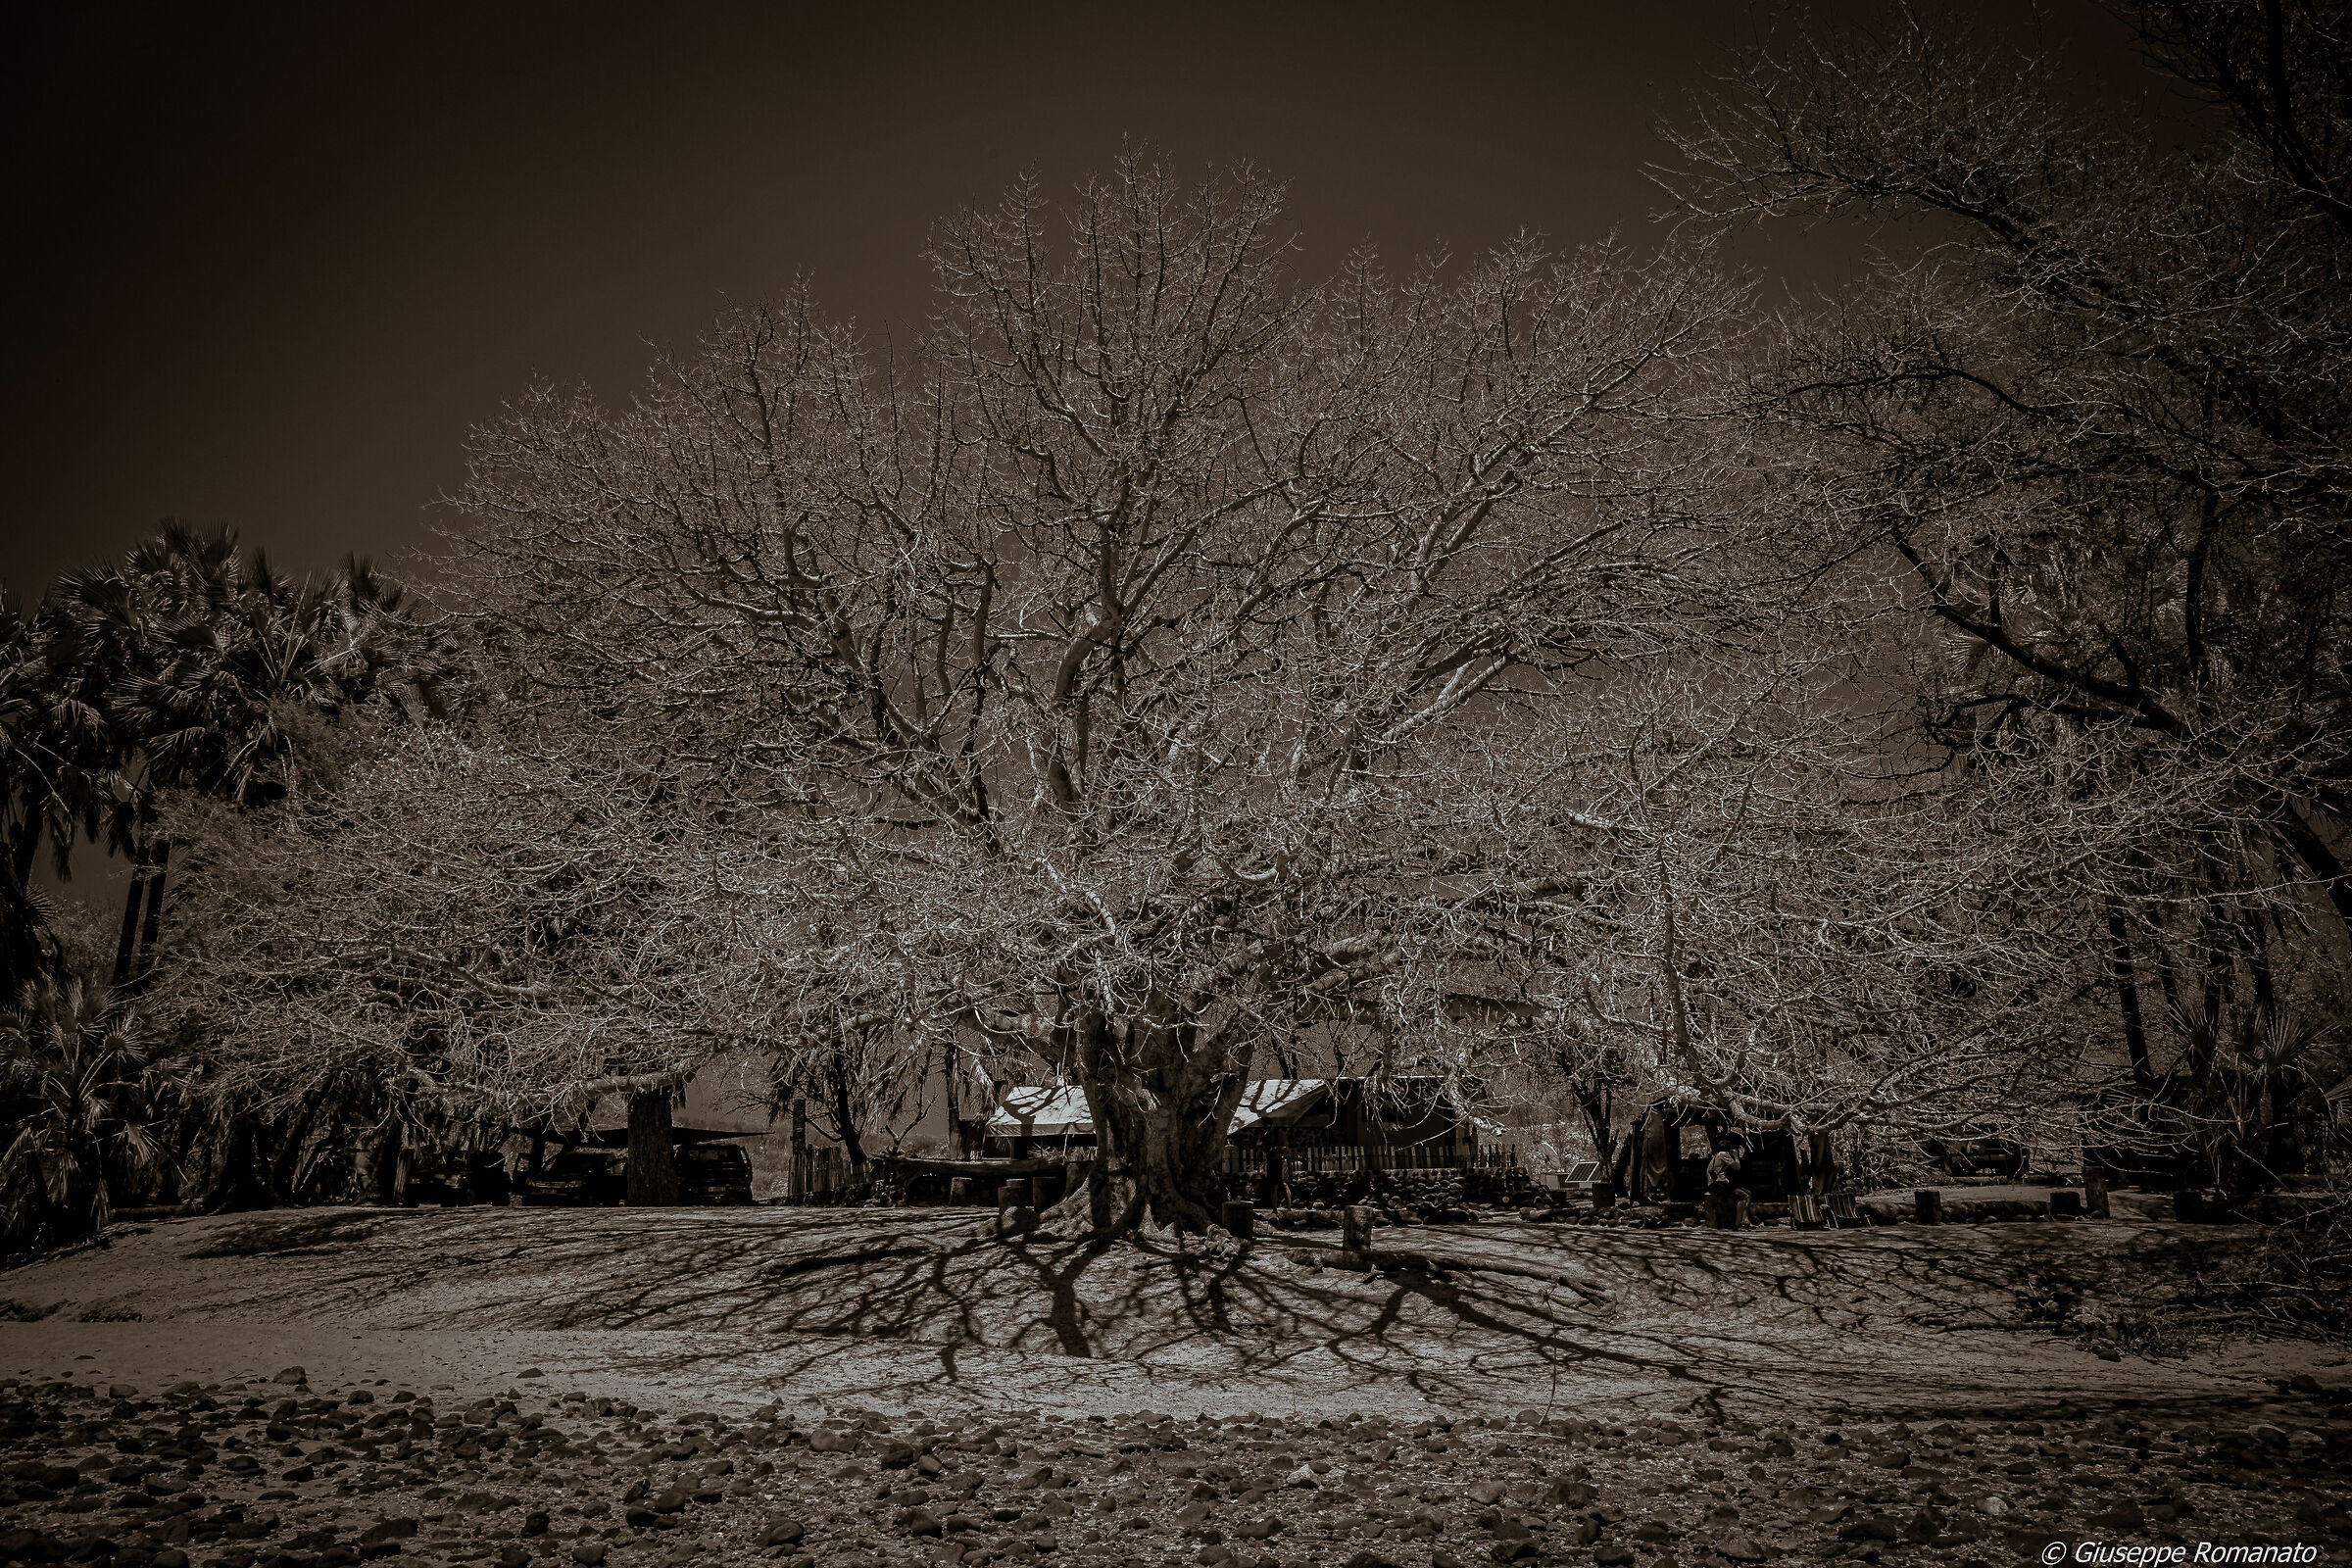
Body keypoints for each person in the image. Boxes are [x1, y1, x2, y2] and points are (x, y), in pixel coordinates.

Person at [1705, 1146, 1744, 1229]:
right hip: (1719, 1184)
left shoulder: (1715, 1156)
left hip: (1712, 1184)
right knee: (1744, 1196)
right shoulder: (1724, 1155)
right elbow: (1737, 1167)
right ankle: (1737, 1224)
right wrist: (1736, 1157)